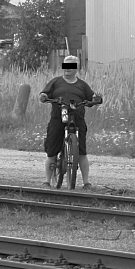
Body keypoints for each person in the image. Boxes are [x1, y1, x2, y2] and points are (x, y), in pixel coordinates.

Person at [38, 55, 102, 190]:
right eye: (65, 65)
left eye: (71, 65)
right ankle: (47, 181)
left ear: (76, 68)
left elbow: (92, 98)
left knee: (82, 152)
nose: (67, 68)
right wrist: (44, 97)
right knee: (52, 151)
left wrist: (95, 98)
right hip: (58, 118)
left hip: (77, 119)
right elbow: (44, 94)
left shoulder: (82, 85)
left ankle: (86, 183)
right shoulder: (56, 82)